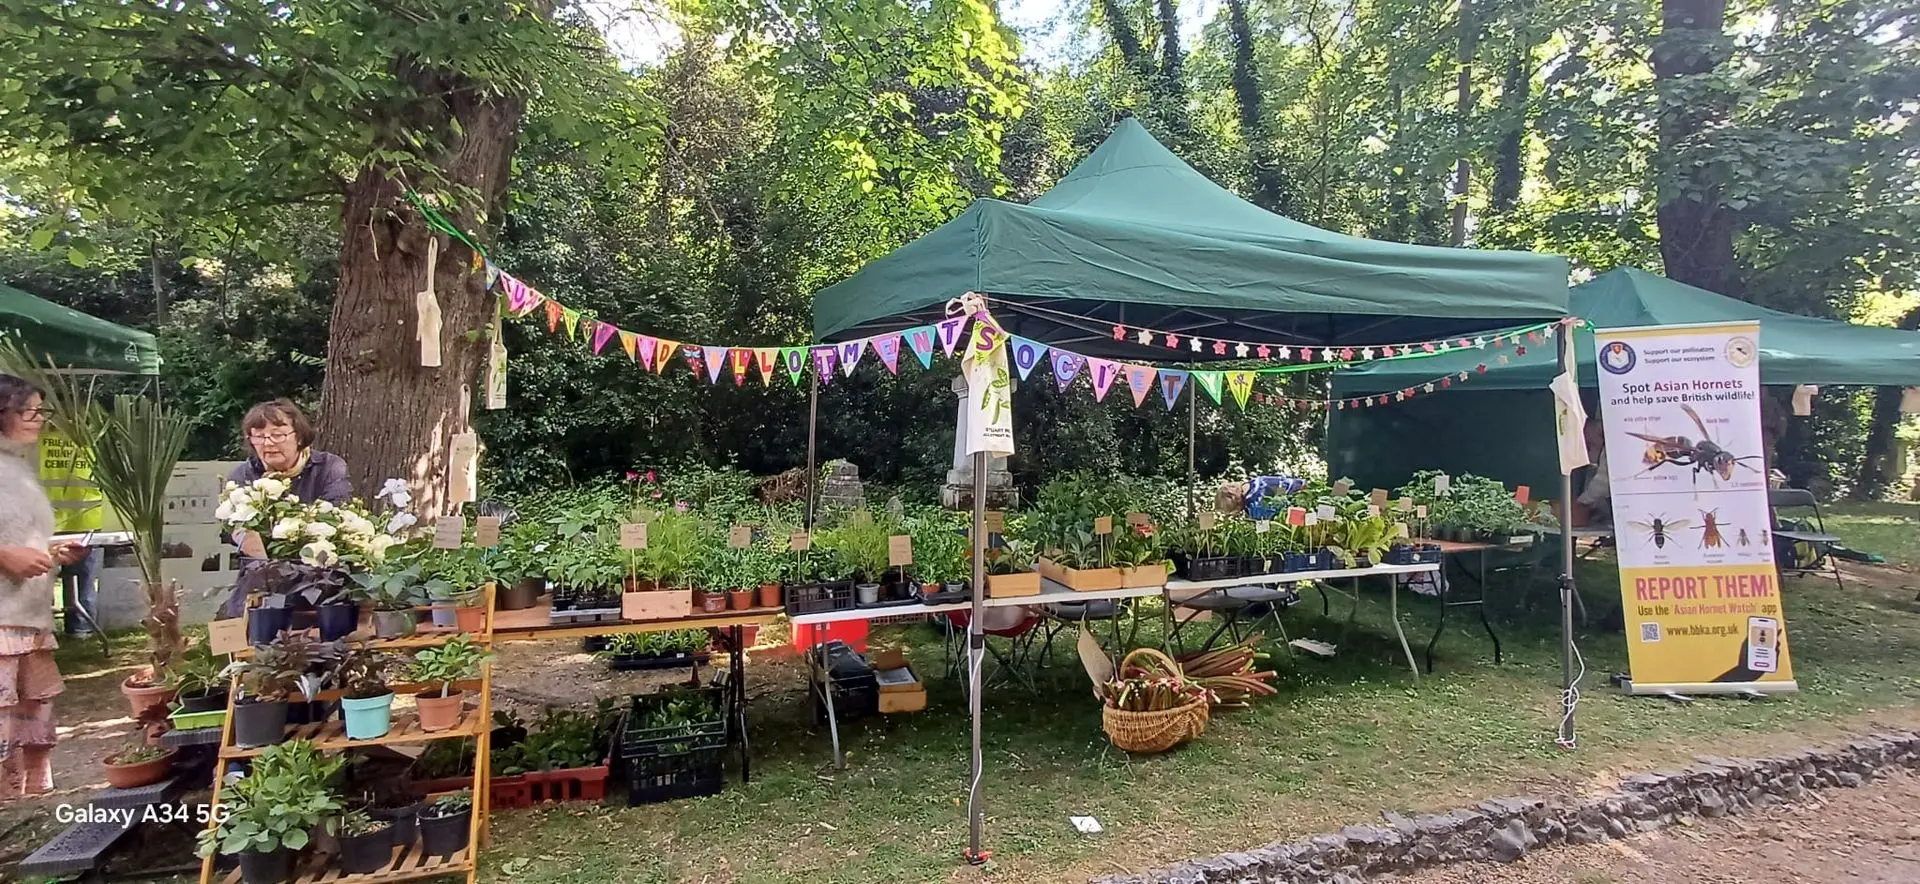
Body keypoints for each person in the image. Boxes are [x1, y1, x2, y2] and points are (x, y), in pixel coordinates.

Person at [0, 373, 90, 796]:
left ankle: (20, 799)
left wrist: (50, 551)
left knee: (29, 711)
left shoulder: (18, 466)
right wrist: (5, 555)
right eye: (28, 411)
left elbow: (18, 534)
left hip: (29, 615)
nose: (38, 419)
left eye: (41, 410)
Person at [218, 400, 351, 619]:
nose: (268, 443)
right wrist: (244, 536)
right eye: (259, 436)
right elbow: (230, 529)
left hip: (320, 570)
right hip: (262, 573)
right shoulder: (242, 476)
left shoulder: (328, 467)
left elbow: (335, 516)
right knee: (244, 620)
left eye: (277, 435)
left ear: (298, 437)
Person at [39, 427, 104, 639]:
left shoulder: (38, 437)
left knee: (40, 579)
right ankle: (81, 629)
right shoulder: (92, 436)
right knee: (84, 581)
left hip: (48, 519)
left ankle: (40, 629)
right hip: (86, 519)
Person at [1576, 416, 1611, 525]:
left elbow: (1602, 485)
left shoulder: (1611, 448)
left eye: (1589, 445)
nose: (1587, 451)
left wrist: (1579, 503)